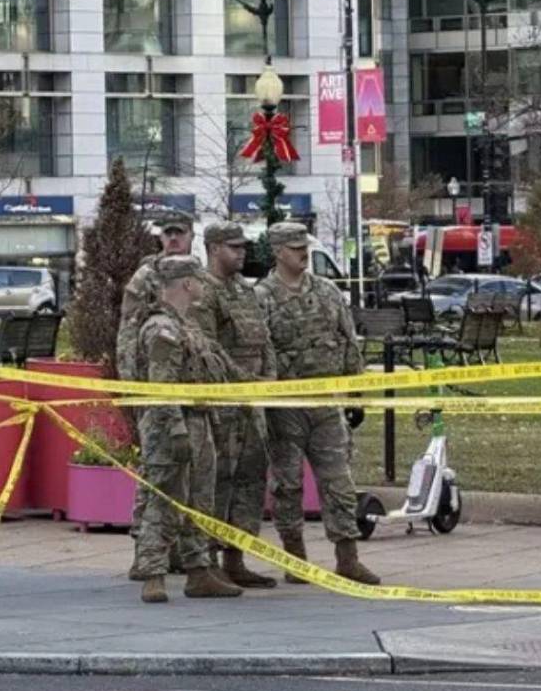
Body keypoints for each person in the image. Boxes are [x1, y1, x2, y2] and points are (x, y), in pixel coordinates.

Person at [256, 222, 381, 586]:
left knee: (339, 483)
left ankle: (348, 557)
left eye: (304, 246)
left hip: (326, 407)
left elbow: (347, 341)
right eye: (294, 247)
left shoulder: (327, 292)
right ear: (278, 251)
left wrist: (355, 391)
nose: (302, 253)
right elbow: (259, 353)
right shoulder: (262, 297)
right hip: (285, 408)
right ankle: (295, 558)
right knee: (287, 486)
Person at [134, 256, 243, 602]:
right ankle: (153, 573)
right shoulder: (161, 328)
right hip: (170, 426)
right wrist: (177, 430)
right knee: (165, 498)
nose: (202, 284)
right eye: (197, 279)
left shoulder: (188, 326)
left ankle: (199, 572)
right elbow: (162, 384)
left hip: (200, 422)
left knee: (200, 500)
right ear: (185, 283)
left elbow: (219, 368)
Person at [195, 222, 278, 589]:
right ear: (213, 248)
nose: (242, 252)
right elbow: (208, 349)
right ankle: (206, 561)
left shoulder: (246, 292)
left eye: (243, 246)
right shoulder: (203, 292)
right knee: (217, 482)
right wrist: (246, 382)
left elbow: (264, 340)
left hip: (252, 404)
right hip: (222, 404)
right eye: (233, 247)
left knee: (250, 480)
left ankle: (236, 557)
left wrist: (269, 381)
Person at [118, 209, 196, 583]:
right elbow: (129, 332)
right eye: (168, 234)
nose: (173, 239)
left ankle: (178, 550)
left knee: (187, 476)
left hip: (191, 389)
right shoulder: (147, 276)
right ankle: (144, 551)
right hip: (155, 385)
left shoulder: (197, 275)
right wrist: (136, 388)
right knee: (156, 470)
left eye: (179, 233)